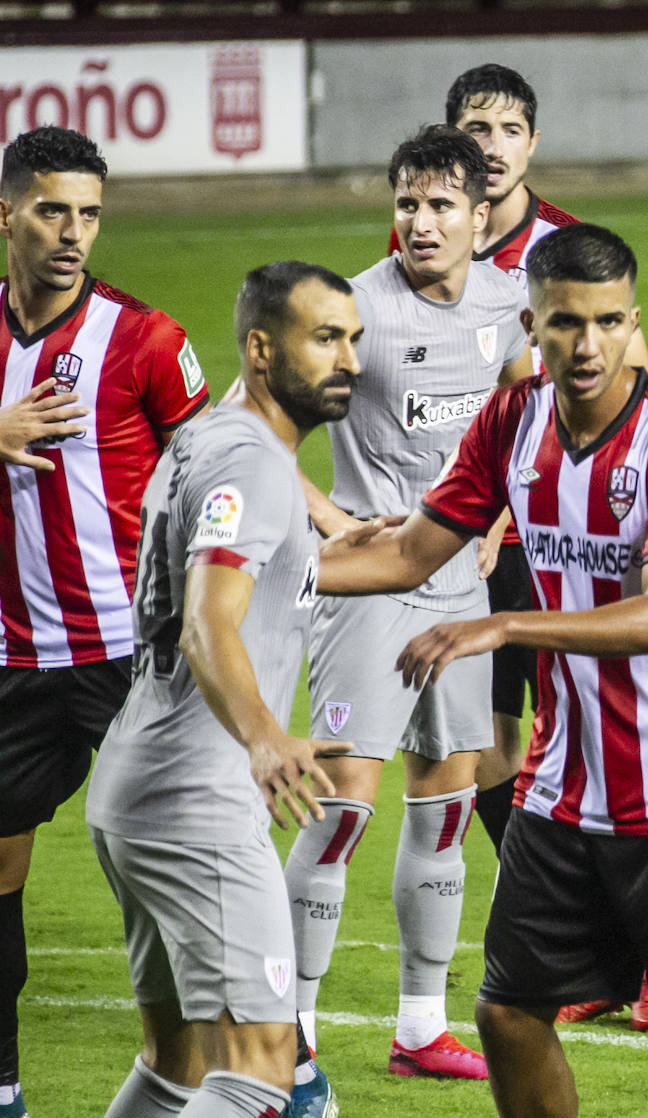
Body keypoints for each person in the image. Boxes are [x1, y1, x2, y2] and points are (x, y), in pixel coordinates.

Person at [317, 223, 648, 1118]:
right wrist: (268, 569)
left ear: (634, 320)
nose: (588, 345)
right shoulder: (509, 423)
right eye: (566, 323)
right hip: (562, 792)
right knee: (506, 1015)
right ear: (531, 323)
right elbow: (412, 552)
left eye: (609, 321)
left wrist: (503, 625)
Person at [85, 260, 363, 1118]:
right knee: (258, 1069)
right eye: (324, 340)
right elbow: (210, 619)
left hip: (138, 788)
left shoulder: (208, 437)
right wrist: (264, 738)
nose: (348, 359)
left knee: (177, 1065)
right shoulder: (254, 465)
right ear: (259, 348)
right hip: (199, 799)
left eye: (353, 339)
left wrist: (413, 546)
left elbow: (259, 568)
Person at [281, 124, 531, 1081]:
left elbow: (521, 401)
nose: (418, 224)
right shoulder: (352, 312)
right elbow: (249, 423)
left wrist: (501, 509)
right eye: (405, 204)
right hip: (372, 593)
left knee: (448, 804)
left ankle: (419, 1025)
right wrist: (327, 516)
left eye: (438, 206)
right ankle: (291, 1029)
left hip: (459, 590)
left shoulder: (508, 301)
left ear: (479, 215)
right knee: (342, 810)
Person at [444, 59, 648, 1032]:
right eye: (473, 127)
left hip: (560, 536)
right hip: (465, 539)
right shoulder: (432, 239)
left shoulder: (565, 248)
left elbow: (633, 381)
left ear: (532, 144)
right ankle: (583, 945)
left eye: (506, 128)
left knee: (593, 745)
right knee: (489, 751)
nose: (489, 145)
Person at [0, 126, 209, 1118]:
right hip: (8, 657)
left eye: (88, 212)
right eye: (52, 210)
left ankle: (273, 1073)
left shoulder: (145, 340)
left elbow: (221, 472)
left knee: (183, 869)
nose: (73, 232)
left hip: (130, 657)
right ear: (7, 215)